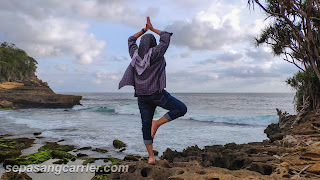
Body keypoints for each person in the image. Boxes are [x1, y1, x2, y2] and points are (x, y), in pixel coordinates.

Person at [119, 17, 187, 164]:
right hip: (157, 94)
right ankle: (157, 123)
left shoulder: (134, 55)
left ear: (142, 43)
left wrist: (143, 30)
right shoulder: (155, 53)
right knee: (181, 108)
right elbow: (165, 38)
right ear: (152, 44)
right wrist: (153, 29)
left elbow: (131, 40)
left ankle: (151, 157)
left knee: (145, 125)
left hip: (142, 97)